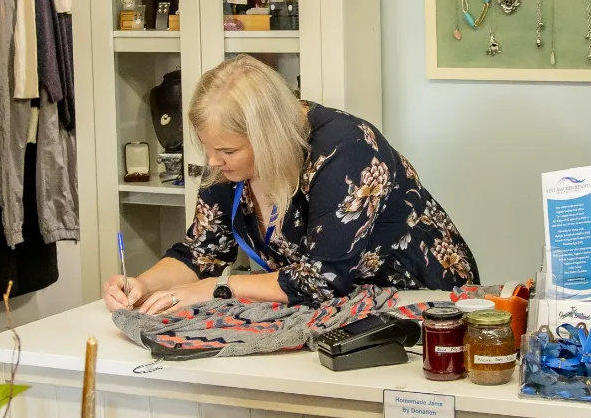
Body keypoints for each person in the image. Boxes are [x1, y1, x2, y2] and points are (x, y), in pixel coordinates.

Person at [104, 56, 478, 310]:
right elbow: (202, 251)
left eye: (227, 151)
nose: (212, 162)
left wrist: (218, 288)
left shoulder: (346, 151)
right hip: (331, 310)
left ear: (269, 137)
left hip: (423, 303)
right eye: (208, 148)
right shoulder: (226, 161)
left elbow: (322, 281)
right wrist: (142, 285)